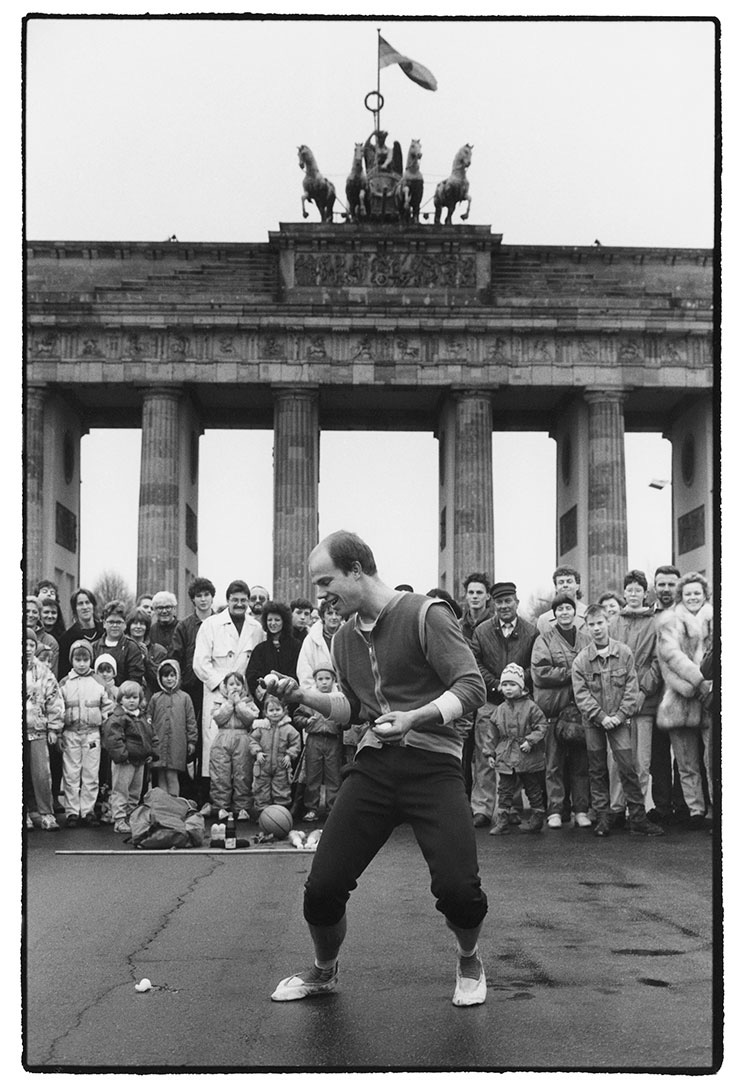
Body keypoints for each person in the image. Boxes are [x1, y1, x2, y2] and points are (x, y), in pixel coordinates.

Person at [266, 530, 488, 1008]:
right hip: (375, 765)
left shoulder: (425, 614)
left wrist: (414, 717)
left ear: (357, 571)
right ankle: (324, 972)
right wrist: (302, 695)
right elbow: (355, 708)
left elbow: (473, 688)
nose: (320, 595)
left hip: (434, 766)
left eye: (326, 582)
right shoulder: (343, 638)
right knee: (321, 888)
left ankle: (469, 957)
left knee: (459, 891)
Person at [571, 605, 664, 838]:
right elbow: (581, 695)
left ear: (608, 623)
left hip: (620, 722)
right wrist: (602, 717)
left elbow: (632, 688)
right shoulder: (581, 661)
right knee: (597, 770)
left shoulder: (624, 653)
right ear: (586, 627)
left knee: (628, 767)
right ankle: (603, 818)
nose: (596, 628)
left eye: (600, 623)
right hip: (594, 723)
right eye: (591, 624)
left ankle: (638, 818)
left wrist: (619, 716)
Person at [469, 582, 539, 828]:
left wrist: (518, 682)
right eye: (499, 602)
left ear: (516, 603)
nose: (504, 606)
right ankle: (482, 808)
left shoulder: (531, 632)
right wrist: (497, 685)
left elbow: (536, 664)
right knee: (485, 756)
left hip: (520, 706)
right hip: (490, 702)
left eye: (508, 601)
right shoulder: (482, 631)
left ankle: (511, 808)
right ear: (493, 604)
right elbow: (474, 662)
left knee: (516, 756)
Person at [193, 580, 266, 814]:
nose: (239, 604)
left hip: (244, 698)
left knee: (243, 754)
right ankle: (216, 803)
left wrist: (244, 692)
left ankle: (243, 803)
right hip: (217, 697)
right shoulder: (211, 625)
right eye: (235, 600)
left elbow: (257, 662)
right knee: (216, 753)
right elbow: (200, 663)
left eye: (243, 600)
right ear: (228, 600)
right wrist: (221, 687)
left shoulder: (256, 628)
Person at [655, 572, 713, 830]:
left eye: (697, 593)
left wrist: (711, 686)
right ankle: (695, 810)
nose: (692, 597)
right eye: (687, 593)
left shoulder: (717, 617)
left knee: (714, 760)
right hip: (681, 698)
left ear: (705, 594)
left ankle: (716, 809)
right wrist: (698, 682)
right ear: (681, 595)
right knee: (687, 761)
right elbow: (669, 656)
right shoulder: (669, 621)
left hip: (713, 700)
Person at [530, 595, 592, 829]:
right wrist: (572, 672)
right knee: (553, 764)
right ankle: (555, 810)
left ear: (575, 613)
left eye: (569, 608)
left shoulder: (586, 639)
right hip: (553, 711)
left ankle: (581, 810)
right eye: (560, 609)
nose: (565, 612)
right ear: (554, 614)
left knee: (580, 764)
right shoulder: (543, 640)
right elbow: (540, 672)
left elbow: (594, 669)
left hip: (580, 711)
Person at [608, 571, 662, 814]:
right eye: (629, 589)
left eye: (637, 589)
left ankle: (636, 810)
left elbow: (657, 661)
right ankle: (617, 808)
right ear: (624, 593)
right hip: (617, 703)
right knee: (618, 759)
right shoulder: (613, 623)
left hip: (644, 703)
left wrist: (642, 690)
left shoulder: (654, 623)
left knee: (642, 760)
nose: (633, 594)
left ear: (645, 593)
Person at [485, 663, 548, 835]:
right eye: (505, 685)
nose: (508, 689)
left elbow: (541, 726)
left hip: (527, 754)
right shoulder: (499, 710)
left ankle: (537, 818)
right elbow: (492, 734)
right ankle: (502, 821)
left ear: (521, 686)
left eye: (512, 685)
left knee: (532, 787)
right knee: (504, 789)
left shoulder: (531, 707)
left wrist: (530, 741)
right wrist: (490, 753)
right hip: (506, 754)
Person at [170, 577, 216, 802]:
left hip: (213, 686)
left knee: (211, 738)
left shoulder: (219, 621)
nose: (203, 599)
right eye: (199, 595)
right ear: (193, 599)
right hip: (191, 687)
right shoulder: (185, 625)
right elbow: (176, 656)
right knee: (192, 738)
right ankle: (189, 790)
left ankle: (208, 788)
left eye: (206, 594)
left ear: (212, 596)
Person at [649, 565, 688, 825]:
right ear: (654, 587)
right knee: (658, 755)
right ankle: (662, 807)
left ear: (679, 586)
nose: (665, 589)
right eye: (661, 584)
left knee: (684, 754)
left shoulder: (688, 615)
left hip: (680, 695)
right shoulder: (646, 617)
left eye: (670, 584)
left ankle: (684, 806)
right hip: (653, 696)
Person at [58, 640, 113, 827]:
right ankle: (72, 811)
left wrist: (105, 724)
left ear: (91, 659)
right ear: (71, 660)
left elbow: (108, 706)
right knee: (71, 773)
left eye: (85, 659)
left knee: (91, 773)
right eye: (77, 659)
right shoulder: (64, 683)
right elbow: (58, 708)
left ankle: (87, 810)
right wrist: (58, 733)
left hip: (92, 734)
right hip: (71, 733)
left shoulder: (98, 681)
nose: (81, 663)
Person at [102, 680, 158, 835]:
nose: (131, 701)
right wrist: (122, 756)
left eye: (135, 697)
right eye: (127, 697)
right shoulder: (118, 718)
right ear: (120, 699)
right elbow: (113, 739)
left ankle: (131, 817)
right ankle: (119, 819)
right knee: (121, 790)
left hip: (140, 761)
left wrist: (151, 753)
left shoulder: (144, 717)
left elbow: (151, 736)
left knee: (135, 792)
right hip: (125, 761)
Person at [25, 628, 64, 831]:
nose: (28, 648)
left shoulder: (43, 672)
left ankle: (46, 813)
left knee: (41, 774)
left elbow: (54, 700)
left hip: (38, 729)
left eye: (32, 645)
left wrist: (53, 728)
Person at [293, 666, 343, 822]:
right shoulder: (311, 699)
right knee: (312, 775)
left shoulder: (338, 699)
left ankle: (332, 808)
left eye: (327, 679)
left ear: (334, 680)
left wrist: (340, 722)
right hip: (314, 740)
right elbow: (297, 717)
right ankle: (311, 808)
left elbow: (348, 720)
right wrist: (307, 721)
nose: (324, 682)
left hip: (333, 741)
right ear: (315, 681)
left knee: (333, 776)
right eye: (320, 679)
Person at [209, 672, 259, 821]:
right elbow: (218, 718)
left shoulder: (248, 702)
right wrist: (230, 703)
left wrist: (239, 704)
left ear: (243, 686)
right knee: (220, 773)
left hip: (242, 737)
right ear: (225, 686)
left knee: (243, 773)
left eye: (238, 684)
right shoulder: (219, 701)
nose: (235, 687)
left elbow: (250, 718)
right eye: (231, 684)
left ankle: (242, 806)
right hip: (222, 738)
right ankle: (221, 806)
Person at [148, 659, 197, 798]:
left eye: (172, 675)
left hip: (177, 743)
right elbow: (148, 719)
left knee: (172, 774)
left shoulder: (185, 698)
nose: (169, 679)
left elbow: (191, 721)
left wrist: (192, 741)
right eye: (165, 676)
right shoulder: (155, 698)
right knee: (161, 774)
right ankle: (163, 806)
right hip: (159, 743)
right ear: (160, 678)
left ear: (178, 676)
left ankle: (173, 805)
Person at [249, 694, 301, 817]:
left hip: (281, 765)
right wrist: (257, 752)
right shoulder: (261, 728)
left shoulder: (288, 728)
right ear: (265, 712)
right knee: (261, 789)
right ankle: (263, 813)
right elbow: (252, 740)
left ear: (284, 710)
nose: (274, 713)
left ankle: (280, 813)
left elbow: (296, 742)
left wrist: (289, 755)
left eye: (278, 709)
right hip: (263, 765)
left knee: (281, 789)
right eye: (271, 710)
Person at [246, 602, 301, 703]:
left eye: (277, 620)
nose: (273, 623)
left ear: (284, 621)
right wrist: (263, 690)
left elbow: (299, 672)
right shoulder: (260, 649)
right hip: (267, 706)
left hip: (291, 701)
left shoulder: (296, 646)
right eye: (269, 620)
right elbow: (251, 675)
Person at [92, 601, 145, 687]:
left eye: (119, 622)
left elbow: (135, 678)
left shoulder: (132, 647)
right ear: (104, 623)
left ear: (125, 624)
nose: (115, 625)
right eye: (111, 622)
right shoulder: (95, 647)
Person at [296, 599, 343, 691]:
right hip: (318, 695)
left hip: (344, 695)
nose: (334, 617)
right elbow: (304, 671)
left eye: (337, 613)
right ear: (322, 616)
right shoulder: (311, 639)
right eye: (329, 613)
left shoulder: (348, 637)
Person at [57, 588, 104, 680]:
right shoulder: (66, 638)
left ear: (93, 606)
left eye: (88, 602)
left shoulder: (104, 632)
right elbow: (63, 673)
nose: (85, 607)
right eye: (80, 604)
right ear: (75, 609)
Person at [125, 607, 169, 699]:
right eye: (134, 623)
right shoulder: (122, 648)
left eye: (142, 624)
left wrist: (147, 660)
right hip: (127, 698)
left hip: (152, 699)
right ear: (129, 626)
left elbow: (162, 679)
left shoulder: (158, 650)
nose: (138, 626)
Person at [536, 566, 587, 635]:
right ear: (556, 588)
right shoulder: (544, 621)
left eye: (569, 581)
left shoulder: (588, 614)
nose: (565, 585)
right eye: (561, 582)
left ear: (577, 586)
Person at [26, 595, 59, 676]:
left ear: (39, 616)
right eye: (27, 611)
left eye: (34, 612)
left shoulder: (50, 642)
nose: (30, 615)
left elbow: (52, 674)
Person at [460, 573, 493, 641]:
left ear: (488, 596)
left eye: (479, 592)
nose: (474, 596)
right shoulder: (458, 626)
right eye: (471, 592)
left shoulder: (496, 624)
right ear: (466, 596)